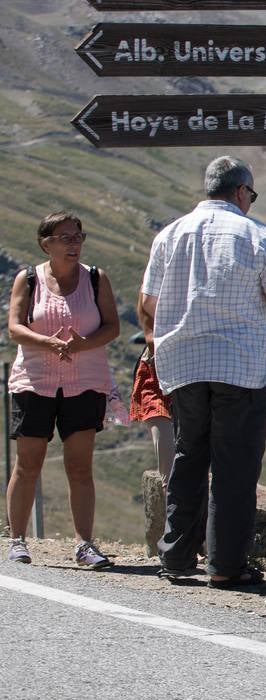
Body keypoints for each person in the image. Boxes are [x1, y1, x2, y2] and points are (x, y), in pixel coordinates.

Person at [141, 156, 266, 588]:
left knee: (189, 457)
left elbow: (149, 302)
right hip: (238, 365)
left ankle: (176, 556)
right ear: (241, 191)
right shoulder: (258, 236)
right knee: (235, 466)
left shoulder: (170, 235)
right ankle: (226, 564)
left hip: (183, 364)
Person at [5, 212, 120, 568]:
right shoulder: (29, 279)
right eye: (65, 237)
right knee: (28, 463)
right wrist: (47, 342)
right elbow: (14, 327)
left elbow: (112, 327)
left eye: (78, 237)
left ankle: (85, 544)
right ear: (46, 244)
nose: (74, 244)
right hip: (34, 382)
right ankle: (17, 540)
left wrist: (83, 344)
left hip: (84, 384)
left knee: (80, 466)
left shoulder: (96, 279)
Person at [129, 291, 174, 481]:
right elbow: (146, 298)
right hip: (156, 367)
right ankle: (168, 490)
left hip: (197, 367)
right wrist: (150, 335)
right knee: (169, 460)